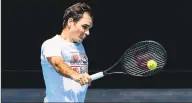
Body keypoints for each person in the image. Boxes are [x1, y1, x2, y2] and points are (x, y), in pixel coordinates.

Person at [40, 2, 93, 102]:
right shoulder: (51, 44)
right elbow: (58, 64)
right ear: (70, 22)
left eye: (89, 28)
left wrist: (85, 79)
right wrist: (77, 76)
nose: (88, 32)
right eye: (84, 27)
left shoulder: (80, 47)